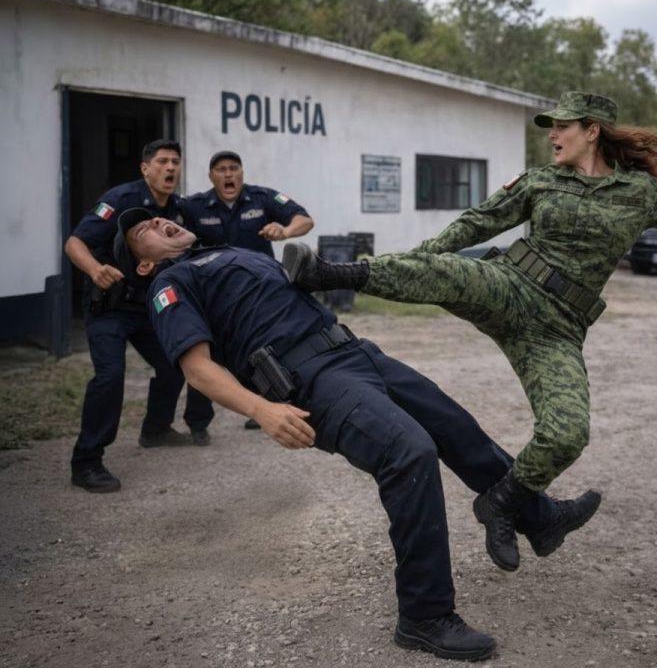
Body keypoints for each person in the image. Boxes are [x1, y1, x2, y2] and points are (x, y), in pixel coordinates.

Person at [282, 90, 657, 570]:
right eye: (551, 127)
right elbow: (477, 223)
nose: (553, 135)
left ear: (591, 131)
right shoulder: (539, 182)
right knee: (449, 271)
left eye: (563, 126)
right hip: (512, 287)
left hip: (557, 329)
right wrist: (421, 257)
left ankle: (503, 503)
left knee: (567, 434)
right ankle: (329, 275)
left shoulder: (642, 192)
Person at [114, 207, 601, 662]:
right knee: (408, 453)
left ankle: (538, 519)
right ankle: (424, 616)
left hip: (354, 351)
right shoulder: (171, 283)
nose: (159, 223)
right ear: (142, 266)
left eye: (159, 219)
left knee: (454, 425)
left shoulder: (229, 251)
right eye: (144, 232)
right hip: (312, 378)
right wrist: (261, 410)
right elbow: (196, 369)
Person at [64, 139, 215, 493]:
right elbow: (75, 243)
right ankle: (86, 462)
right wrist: (95, 269)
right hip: (110, 306)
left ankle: (156, 429)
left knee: (173, 363)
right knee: (110, 376)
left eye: (175, 162)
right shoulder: (121, 200)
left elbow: (199, 242)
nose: (170, 168)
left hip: (148, 307)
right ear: (144, 168)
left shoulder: (180, 208)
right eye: (162, 161)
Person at [183, 149, 314, 430]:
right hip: (215, 293)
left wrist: (285, 231)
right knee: (207, 354)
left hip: (259, 290)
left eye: (234, 168)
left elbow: (304, 219)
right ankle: (197, 424)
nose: (228, 174)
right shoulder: (194, 206)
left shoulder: (262, 198)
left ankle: (269, 407)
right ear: (211, 176)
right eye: (221, 169)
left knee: (265, 347)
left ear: (242, 173)